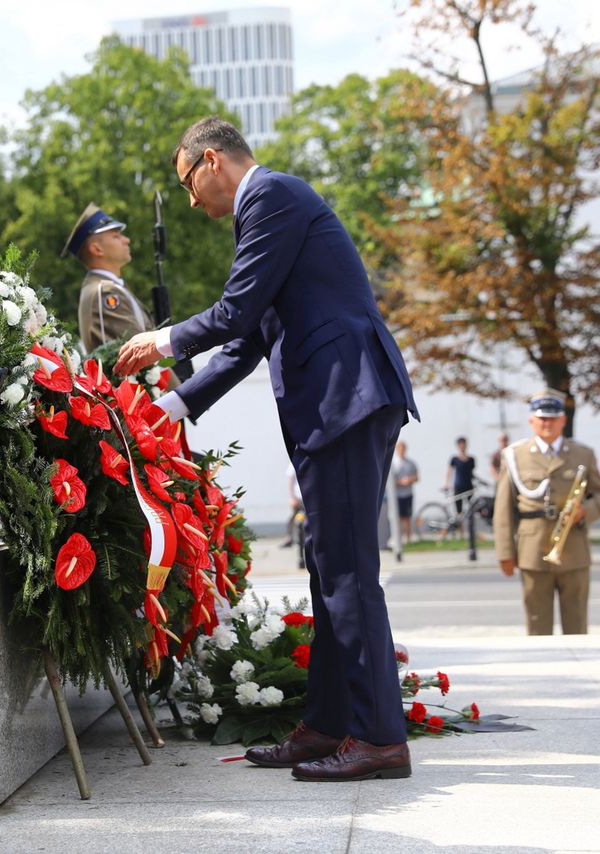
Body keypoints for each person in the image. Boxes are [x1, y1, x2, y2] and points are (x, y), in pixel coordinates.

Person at [115, 117, 419, 782]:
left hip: (346, 400)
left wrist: (163, 343)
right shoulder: (266, 209)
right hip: (336, 405)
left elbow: (234, 311)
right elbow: (250, 338)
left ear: (213, 160)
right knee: (328, 568)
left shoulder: (271, 197)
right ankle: (331, 727)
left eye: (188, 181)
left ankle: (379, 739)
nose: (191, 200)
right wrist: (172, 407)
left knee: (348, 574)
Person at [493, 389, 600, 635]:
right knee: (537, 626)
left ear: (563, 420)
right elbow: (503, 509)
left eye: (553, 418)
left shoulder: (583, 454)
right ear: (531, 421)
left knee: (577, 624)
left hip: (573, 548)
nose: (547, 423)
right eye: (542, 418)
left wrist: (584, 511)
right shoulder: (515, 456)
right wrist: (505, 552)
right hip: (531, 550)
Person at [64, 203, 152, 354]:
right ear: (97, 249)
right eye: (116, 236)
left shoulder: (110, 287)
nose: (127, 240)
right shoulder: (105, 292)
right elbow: (144, 354)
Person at [444, 436, 477, 533]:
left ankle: (471, 533)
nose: (462, 446)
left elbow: (472, 474)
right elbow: (449, 471)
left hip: (469, 486)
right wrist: (447, 484)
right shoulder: (454, 459)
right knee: (459, 511)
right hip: (458, 486)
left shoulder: (471, 459)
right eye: (460, 444)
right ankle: (461, 533)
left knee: (471, 510)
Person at [393, 442, 419, 544]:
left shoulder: (411, 463)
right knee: (398, 517)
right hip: (397, 494)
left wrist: (409, 480)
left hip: (408, 493)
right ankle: (399, 539)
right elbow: (389, 481)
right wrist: (400, 482)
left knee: (407, 517)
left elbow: (417, 477)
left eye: (403, 449)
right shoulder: (393, 464)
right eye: (400, 449)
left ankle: (409, 539)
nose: (401, 451)